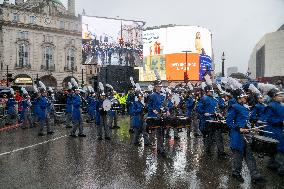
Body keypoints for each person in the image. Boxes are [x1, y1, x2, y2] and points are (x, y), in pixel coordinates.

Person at [226, 89, 265, 183]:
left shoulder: (245, 107)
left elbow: (246, 121)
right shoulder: (234, 107)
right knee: (238, 156)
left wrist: (253, 127)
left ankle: (255, 175)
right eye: (243, 96)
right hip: (237, 135)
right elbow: (229, 122)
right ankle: (236, 173)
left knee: (249, 155)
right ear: (239, 98)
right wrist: (238, 128)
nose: (245, 98)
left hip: (246, 135)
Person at [196, 86, 227, 158]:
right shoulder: (203, 99)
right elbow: (198, 108)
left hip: (214, 120)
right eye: (211, 91)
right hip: (206, 121)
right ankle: (207, 151)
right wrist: (204, 112)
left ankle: (221, 152)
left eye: (212, 91)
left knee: (217, 136)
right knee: (208, 137)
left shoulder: (214, 99)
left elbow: (215, 109)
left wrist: (217, 113)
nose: (212, 92)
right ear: (207, 91)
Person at [265, 88, 284, 176]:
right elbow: (269, 119)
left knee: (275, 148)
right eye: (280, 96)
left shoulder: (280, 105)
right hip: (273, 130)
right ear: (274, 97)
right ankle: (281, 169)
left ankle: (271, 164)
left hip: (279, 129)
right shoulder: (271, 106)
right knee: (279, 148)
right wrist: (280, 122)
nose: (282, 97)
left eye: (282, 96)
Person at [147, 80, 166, 157]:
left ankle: (160, 148)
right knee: (155, 134)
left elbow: (163, 105)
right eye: (158, 86)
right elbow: (149, 106)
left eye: (160, 86)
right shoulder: (152, 95)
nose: (160, 87)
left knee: (161, 133)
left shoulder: (162, 95)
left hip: (160, 116)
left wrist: (165, 110)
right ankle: (158, 148)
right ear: (155, 87)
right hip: (154, 117)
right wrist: (153, 110)